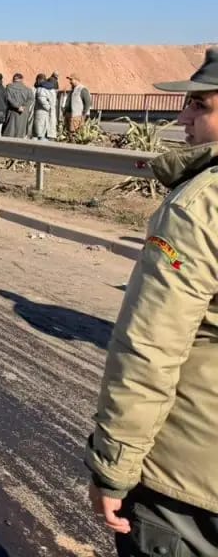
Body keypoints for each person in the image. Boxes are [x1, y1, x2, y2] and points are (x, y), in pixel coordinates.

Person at [85, 48, 218, 557]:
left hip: (188, 482)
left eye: (200, 105)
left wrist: (113, 468)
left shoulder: (199, 207)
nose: (183, 117)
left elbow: (149, 349)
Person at [3, 73, 34, 138]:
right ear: (22, 79)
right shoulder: (28, 89)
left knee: (9, 132)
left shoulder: (9, 87)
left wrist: (17, 106)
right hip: (23, 113)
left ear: (13, 79)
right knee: (20, 133)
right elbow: (31, 99)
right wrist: (23, 106)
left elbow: (8, 99)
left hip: (12, 111)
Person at [32, 74, 55, 141]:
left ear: (39, 80)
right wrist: (50, 108)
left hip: (41, 112)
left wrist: (48, 107)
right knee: (47, 130)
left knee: (40, 133)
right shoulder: (52, 89)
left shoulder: (40, 89)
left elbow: (41, 99)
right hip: (49, 112)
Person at [43, 72, 60, 139]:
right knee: (52, 118)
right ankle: (50, 135)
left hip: (47, 101)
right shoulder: (54, 80)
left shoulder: (48, 80)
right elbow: (55, 90)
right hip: (52, 102)